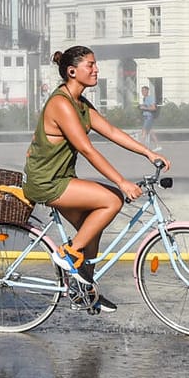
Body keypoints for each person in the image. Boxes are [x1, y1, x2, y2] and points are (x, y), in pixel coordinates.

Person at [23, 46, 168, 313]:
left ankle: (84, 291)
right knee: (112, 199)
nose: (96, 69)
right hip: (47, 181)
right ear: (72, 71)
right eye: (90, 65)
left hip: (62, 178)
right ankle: (67, 255)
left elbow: (111, 131)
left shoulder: (80, 103)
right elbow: (87, 149)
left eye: (95, 64)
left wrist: (147, 152)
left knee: (93, 230)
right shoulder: (61, 104)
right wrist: (122, 182)